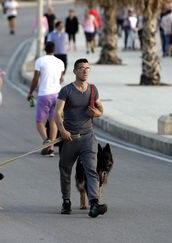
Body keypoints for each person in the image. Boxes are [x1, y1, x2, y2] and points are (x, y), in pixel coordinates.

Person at [54, 58, 107, 218]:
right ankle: (66, 201)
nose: (85, 71)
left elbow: (100, 108)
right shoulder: (66, 90)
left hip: (88, 137)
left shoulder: (92, 89)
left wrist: (97, 113)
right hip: (70, 138)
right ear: (75, 71)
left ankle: (94, 203)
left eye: (87, 68)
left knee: (91, 169)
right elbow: (57, 113)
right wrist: (62, 130)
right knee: (65, 169)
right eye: (82, 68)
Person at [27, 42, 64, 157]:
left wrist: (30, 92)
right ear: (55, 50)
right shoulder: (60, 62)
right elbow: (61, 79)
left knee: (39, 122)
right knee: (53, 121)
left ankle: (46, 140)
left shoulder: (40, 61)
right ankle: (51, 148)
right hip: (58, 95)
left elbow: (35, 78)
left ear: (44, 49)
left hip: (44, 94)